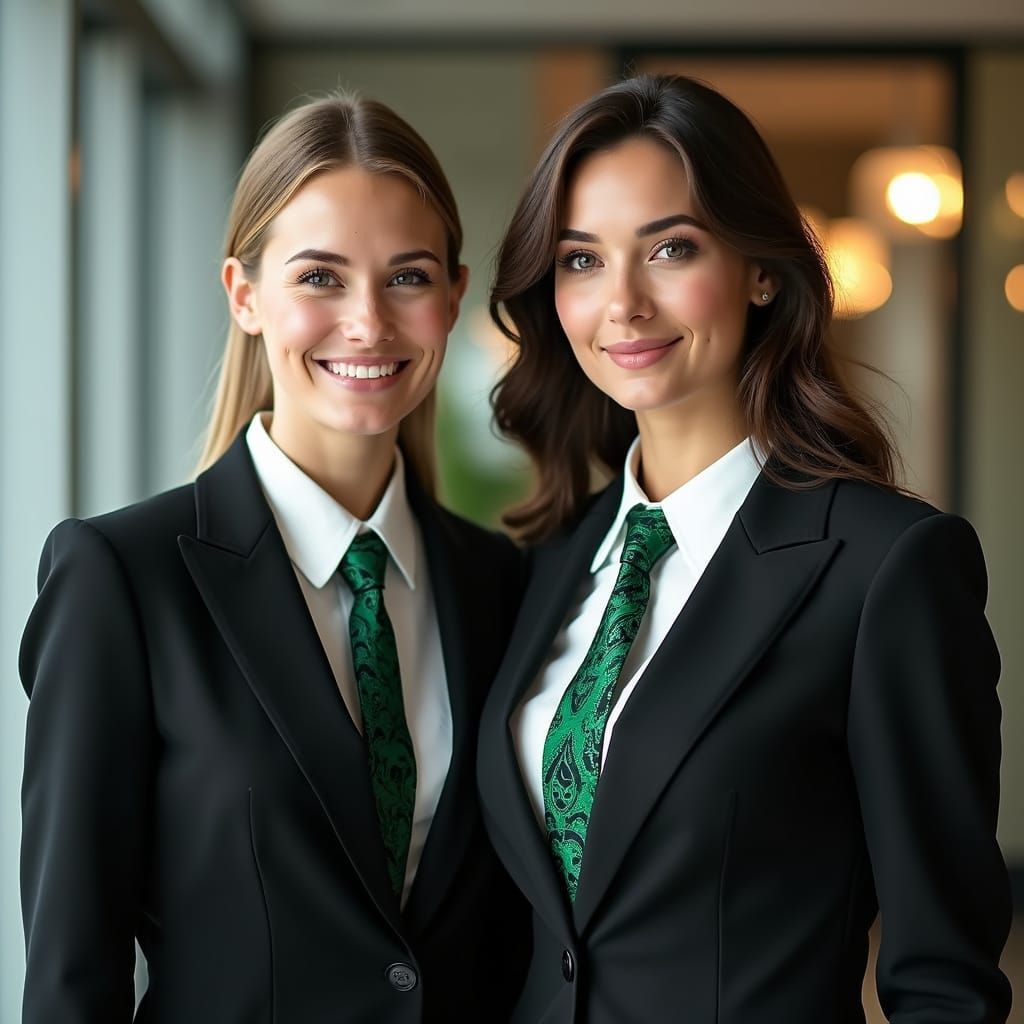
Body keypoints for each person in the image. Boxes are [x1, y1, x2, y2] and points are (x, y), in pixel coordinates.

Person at [477, 74, 1012, 1023]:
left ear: (762, 269)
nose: (623, 304)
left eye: (671, 249)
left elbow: (943, 976)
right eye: (581, 260)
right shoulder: (555, 560)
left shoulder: (884, 566)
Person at [20, 93, 526, 1023]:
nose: (368, 323)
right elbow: (69, 973)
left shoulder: (503, 585)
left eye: (406, 277)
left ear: (454, 296)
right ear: (245, 296)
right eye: (320, 278)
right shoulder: (121, 581)